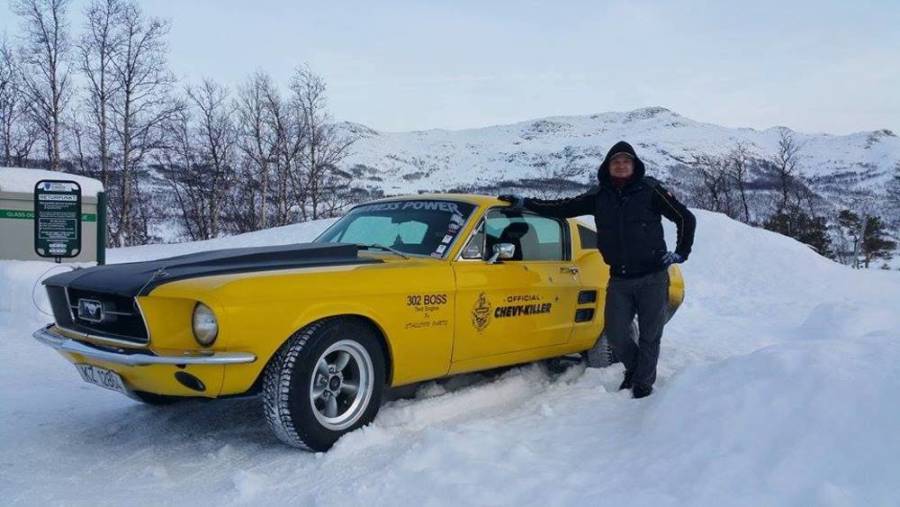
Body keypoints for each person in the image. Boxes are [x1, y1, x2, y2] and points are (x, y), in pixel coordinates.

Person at [499, 141, 696, 398]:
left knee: (649, 335)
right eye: (616, 161)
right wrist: (526, 202)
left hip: (652, 277)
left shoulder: (650, 191)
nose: (621, 165)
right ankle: (637, 370)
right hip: (619, 278)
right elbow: (562, 208)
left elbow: (685, 218)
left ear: (634, 165)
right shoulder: (599, 195)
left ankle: (642, 386)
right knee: (615, 334)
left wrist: (681, 252)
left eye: (626, 161)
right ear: (608, 166)